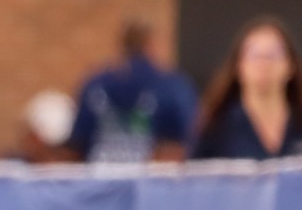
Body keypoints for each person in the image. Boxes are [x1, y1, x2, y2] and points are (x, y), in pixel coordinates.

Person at [65, 19, 192, 163]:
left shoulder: (93, 84)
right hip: (148, 180)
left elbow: (77, 145)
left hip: (100, 179)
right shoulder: (169, 86)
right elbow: (180, 145)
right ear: (151, 43)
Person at [192, 17, 302, 160]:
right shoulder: (217, 126)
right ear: (238, 66)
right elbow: (193, 177)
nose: (264, 64)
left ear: (291, 65)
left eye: (273, 55)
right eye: (254, 55)